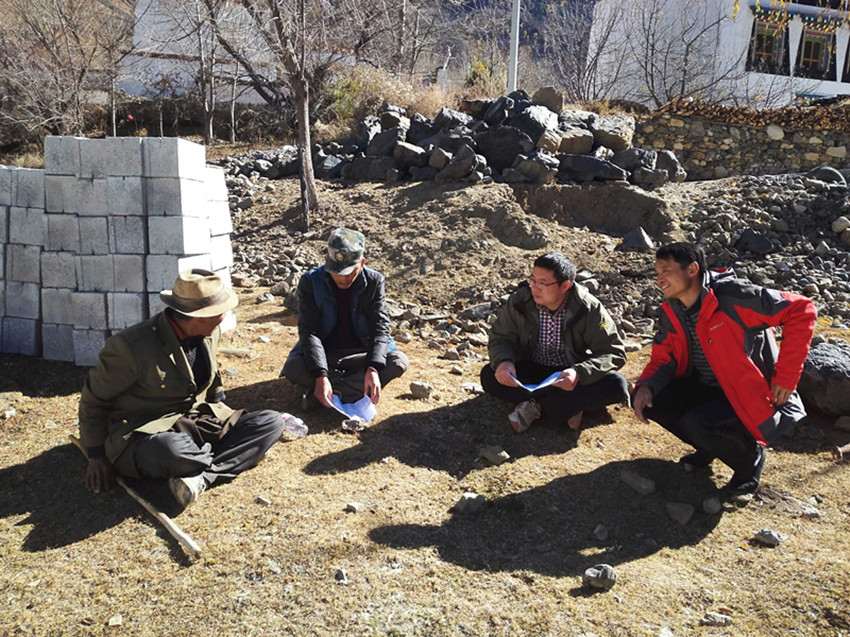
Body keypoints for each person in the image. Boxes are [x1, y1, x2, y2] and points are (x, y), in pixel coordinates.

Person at [79, 269, 284, 508]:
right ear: (198, 316)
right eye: (220, 312)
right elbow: (93, 399)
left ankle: (202, 477)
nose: (224, 316)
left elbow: (212, 376)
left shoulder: (209, 331)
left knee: (271, 422)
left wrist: (222, 409)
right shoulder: (130, 347)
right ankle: (229, 456)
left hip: (193, 420)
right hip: (146, 432)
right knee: (174, 451)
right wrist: (95, 455)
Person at [633, 242, 816, 500]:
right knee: (652, 401)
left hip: (748, 393)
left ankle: (749, 462)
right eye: (657, 272)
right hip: (707, 388)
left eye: (666, 271)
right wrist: (646, 386)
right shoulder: (672, 310)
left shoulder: (732, 296)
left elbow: (802, 309)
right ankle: (710, 446)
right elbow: (664, 357)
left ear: (692, 269)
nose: (659, 279)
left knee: (696, 422)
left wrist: (786, 377)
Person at [481, 252, 629, 433]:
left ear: (564, 285)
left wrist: (579, 373)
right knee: (489, 375)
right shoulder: (521, 300)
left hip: (568, 374)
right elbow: (501, 337)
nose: (534, 288)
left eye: (542, 283)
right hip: (531, 369)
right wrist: (504, 362)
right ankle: (567, 408)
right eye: (532, 280)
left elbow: (613, 351)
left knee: (616, 384)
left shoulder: (587, 307)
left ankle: (534, 407)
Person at [281, 227, 409, 410]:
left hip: (362, 353)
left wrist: (373, 367)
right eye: (337, 271)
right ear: (326, 261)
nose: (343, 278)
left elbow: (380, 327)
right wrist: (320, 374)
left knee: (398, 361)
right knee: (294, 367)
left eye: (350, 271)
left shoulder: (374, 281)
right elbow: (309, 331)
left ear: (362, 263)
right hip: (326, 353)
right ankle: (351, 391)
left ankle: (329, 393)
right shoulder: (310, 281)